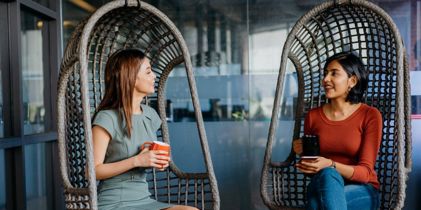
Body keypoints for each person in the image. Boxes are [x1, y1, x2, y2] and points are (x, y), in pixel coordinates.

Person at [92, 49, 197, 210]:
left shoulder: (150, 114)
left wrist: (155, 159)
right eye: (148, 72)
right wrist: (137, 160)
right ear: (132, 77)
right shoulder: (107, 118)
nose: (154, 76)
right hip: (114, 202)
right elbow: (93, 171)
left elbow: (145, 154)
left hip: (145, 199)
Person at [293, 52, 382, 210]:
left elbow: (366, 173)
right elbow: (312, 171)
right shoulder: (313, 116)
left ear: (352, 81)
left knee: (316, 203)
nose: (326, 79)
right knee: (327, 175)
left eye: (334, 73)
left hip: (362, 190)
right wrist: (303, 155)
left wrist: (330, 164)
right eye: (325, 73)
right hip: (321, 185)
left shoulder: (370, 115)